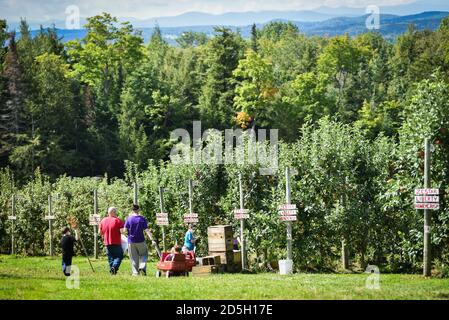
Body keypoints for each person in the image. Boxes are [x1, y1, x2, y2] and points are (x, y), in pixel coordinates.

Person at [124, 204, 151, 276]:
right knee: (144, 254)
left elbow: (124, 230)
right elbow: (146, 230)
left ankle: (135, 273)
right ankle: (142, 267)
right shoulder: (142, 219)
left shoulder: (128, 219)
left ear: (132, 210)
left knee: (133, 257)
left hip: (131, 241)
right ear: (138, 210)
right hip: (141, 240)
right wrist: (152, 239)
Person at [100, 207, 125, 275]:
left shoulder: (103, 220)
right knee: (119, 256)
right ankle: (114, 267)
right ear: (114, 212)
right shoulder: (118, 220)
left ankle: (112, 271)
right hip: (116, 242)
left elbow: (100, 232)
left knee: (110, 257)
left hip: (107, 242)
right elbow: (122, 232)